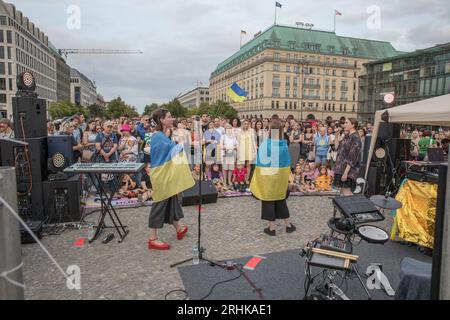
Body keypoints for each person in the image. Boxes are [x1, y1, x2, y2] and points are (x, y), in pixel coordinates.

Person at [147, 109, 195, 251]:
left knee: (171, 200)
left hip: (166, 174)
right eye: (169, 117)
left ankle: (179, 228)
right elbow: (171, 152)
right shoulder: (158, 136)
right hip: (161, 175)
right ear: (161, 120)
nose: (171, 118)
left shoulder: (163, 135)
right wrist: (181, 143)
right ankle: (152, 238)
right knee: (160, 203)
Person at [250, 119, 296, 236]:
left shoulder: (266, 144)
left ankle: (272, 228)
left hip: (268, 177)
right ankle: (288, 225)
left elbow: (259, 163)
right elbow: (287, 164)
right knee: (281, 200)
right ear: (281, 131)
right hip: (280, 179)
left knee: (268, 201)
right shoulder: (284, 145)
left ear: (271, 130)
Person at [333, 118, 362, 196]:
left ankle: (352, 207)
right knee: (343, 191)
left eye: (346, 123)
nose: (344, 125)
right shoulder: (347, 136)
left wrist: (345, 173)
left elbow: (352, 158)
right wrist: (336, 136)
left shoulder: (355, 138)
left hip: (348, 170)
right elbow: (337, 147)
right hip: (340, 168)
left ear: (353, 125)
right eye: (344, 123)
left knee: (347, 192)